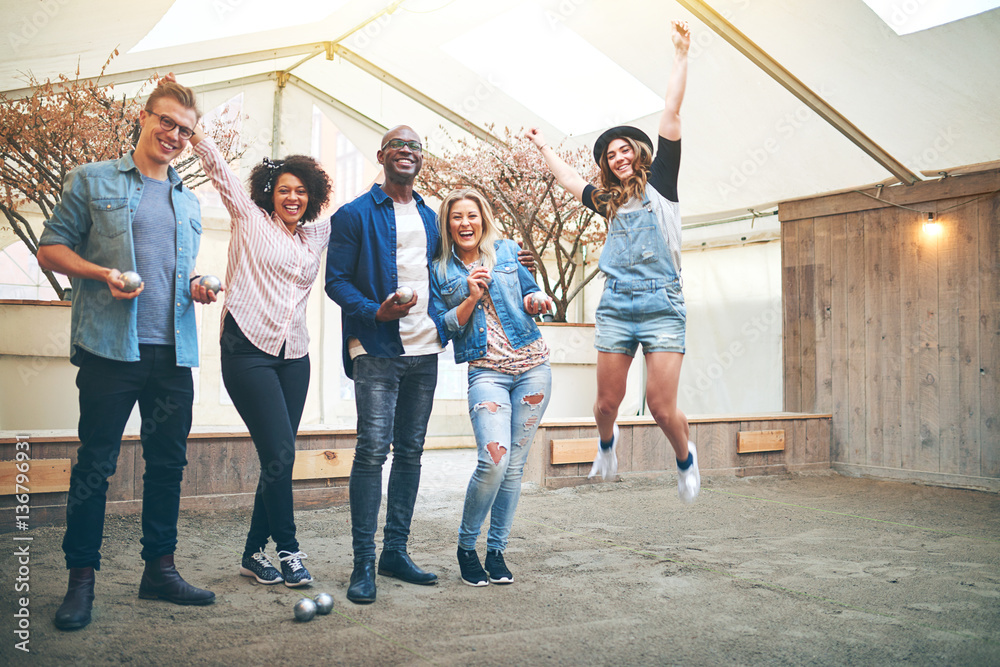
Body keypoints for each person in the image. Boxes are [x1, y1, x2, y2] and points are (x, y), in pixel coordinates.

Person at [326, 125, 536, 604]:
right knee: (372, 451)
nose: (407, 151)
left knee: (412, 453)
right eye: (398, 145)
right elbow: (335, 281)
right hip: (375, 349)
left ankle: (394, 552)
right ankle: (363, 561)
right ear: (382, 155)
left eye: (415, 146)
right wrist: (372, 312)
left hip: (425, 349)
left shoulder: (430, 217)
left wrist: (508, 261)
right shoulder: (353, 215)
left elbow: (465, 257)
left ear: (422, 160)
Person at [37, 79, 217, 631]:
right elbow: (50, 248)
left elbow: (176, 269)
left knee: (167, 465)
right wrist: (102, 273)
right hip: (112, 351)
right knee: (96, 465)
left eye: (185, 130)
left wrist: (198, 284)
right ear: (143, 117)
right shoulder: (93, 180)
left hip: (173, 352)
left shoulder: (189, 199)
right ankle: (81, 581)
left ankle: (159, 570)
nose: (174, 135)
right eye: (166, 122)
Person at [525, 19, 700, 503]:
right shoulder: (605, 200)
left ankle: (685, 460)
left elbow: (671, 112)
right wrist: (543, 148)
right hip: (617, 304)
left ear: (638, 154)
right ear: (606, 164)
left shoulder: (663, 181)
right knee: (605, 403)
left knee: (663, 408)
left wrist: (681, 54)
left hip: (663, 304)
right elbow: (566, 180)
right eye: (611, 153)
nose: (619, 156)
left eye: (625, 149)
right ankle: (607, 446)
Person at [186, 88, 332, 588]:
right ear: (270, 192)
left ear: (311, 196)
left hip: (296, 355)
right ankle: (288, 549)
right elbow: (219, 172)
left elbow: (365, 213)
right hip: (246, 349)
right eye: (284, 190)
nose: (293, 198)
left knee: (278, 453)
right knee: (281, 453)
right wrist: (195, 127)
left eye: (301, 191)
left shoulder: (315, 236)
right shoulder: (250, 219)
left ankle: (253, 553)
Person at [429, 189, 552, 586]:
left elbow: (531, 292)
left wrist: (538, 300)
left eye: (472, 215)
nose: (465, 223)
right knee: (493, 461)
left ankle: (496, 551)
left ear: (483, 218)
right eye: (456, 217)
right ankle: (467, 547)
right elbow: (443, 327)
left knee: (514, 467)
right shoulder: (441, 270)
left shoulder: (507, 252)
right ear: (447, 224)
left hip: (533, 368)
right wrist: (471, 295)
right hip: (487, 374)